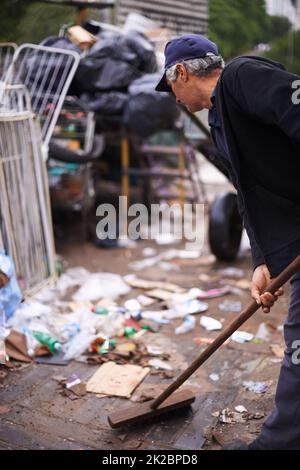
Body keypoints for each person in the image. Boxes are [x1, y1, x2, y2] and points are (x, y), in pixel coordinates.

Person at [156, 34, 300, 450]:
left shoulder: (241, 76)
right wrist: (262, 261)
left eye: (171, 87)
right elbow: (251, 196)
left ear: (182, 72)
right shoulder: (221, 120)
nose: (174, 98)